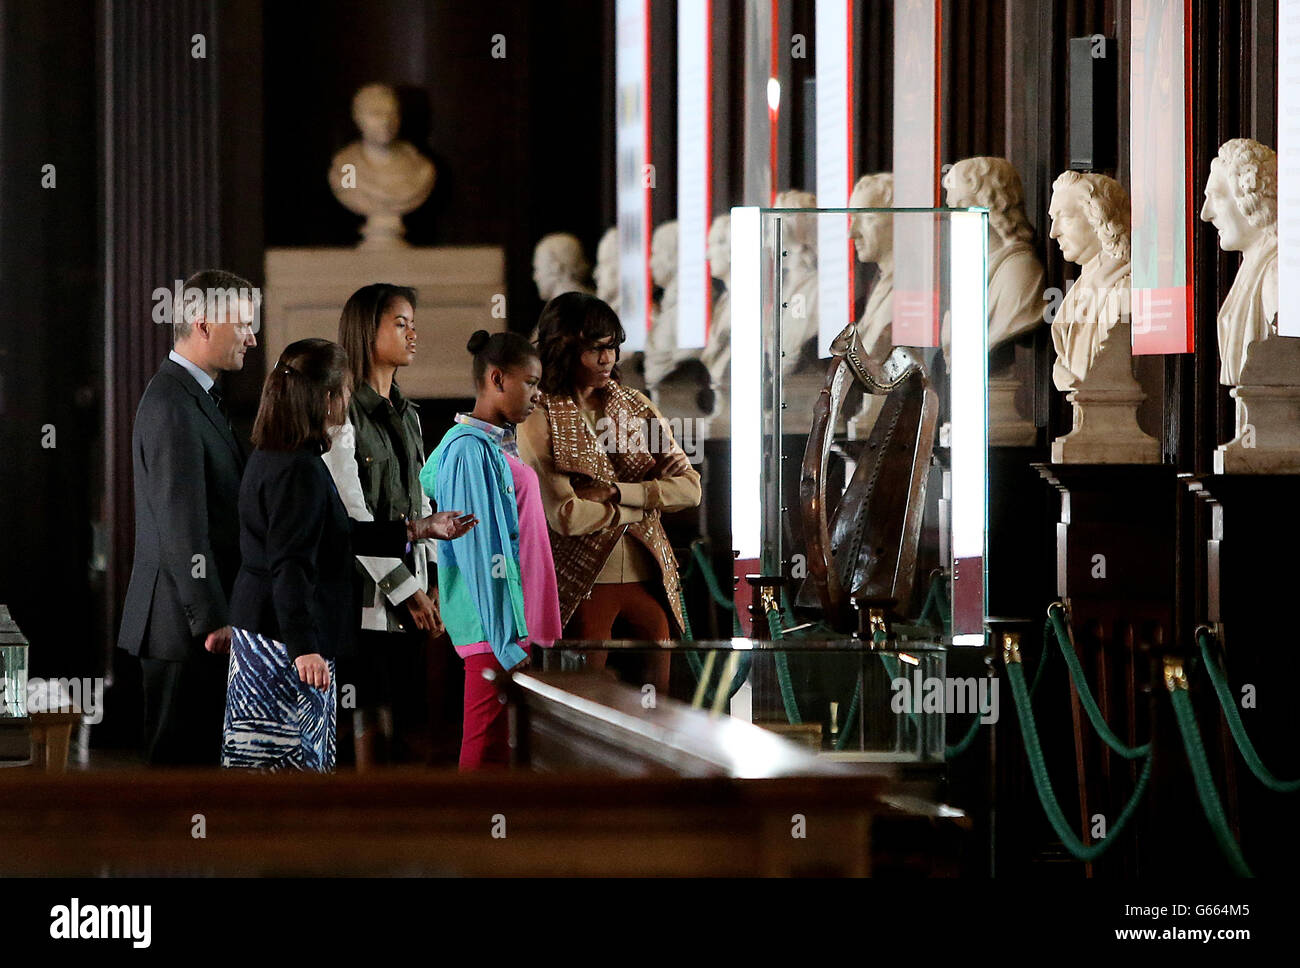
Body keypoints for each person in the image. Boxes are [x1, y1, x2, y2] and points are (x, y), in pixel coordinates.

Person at [223, 339, 471, 771]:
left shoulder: (282, 455)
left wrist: (420, 527)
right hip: (284, 644)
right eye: (343, 391)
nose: (347, 400)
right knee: (282, 772)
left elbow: (339, 536)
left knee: (279, 769)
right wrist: (304, 649)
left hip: (274, 633)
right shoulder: (297, 469)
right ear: (324, 397)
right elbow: (290, 565)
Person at [517, 293, 700, 695]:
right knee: (586, 702)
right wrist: (642, 506)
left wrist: (617, 492)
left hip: (648, 575)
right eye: (595, 348)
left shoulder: (634, 404)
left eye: (613, 347)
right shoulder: (538, 413)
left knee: (660, 702)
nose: (608, 359)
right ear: (562, 347)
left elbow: (690, 488)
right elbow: (564, 516)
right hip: (578, 580)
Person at [117, 268, 259, 766]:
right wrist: (212, 617)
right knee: (176, 777)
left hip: (193, 625)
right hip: (184, 627)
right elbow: (182, 524)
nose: (252, 337)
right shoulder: (173, 402)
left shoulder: (195, 396)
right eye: (242, 324)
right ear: (202, 323)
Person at [420, 330, 561, 770]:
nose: (538, 395)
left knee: (503, 750)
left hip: (513, 624)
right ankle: (467, 836)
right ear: (497, 378)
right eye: (532, 382)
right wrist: (505, 641)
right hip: (494, 629)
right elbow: (481, 553)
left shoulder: (495, 445)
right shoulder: (467, 451)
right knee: (483, 749)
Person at [323, 283, 448, 766]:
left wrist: (431, 581)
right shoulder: (341, 408)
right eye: (400, 323)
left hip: (413, 592)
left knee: (408, 722)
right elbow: (351, 512)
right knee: (366, 713)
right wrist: (403, 588)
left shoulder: (409, 414)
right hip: (364, 599)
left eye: (413, 323)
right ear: (366, 330)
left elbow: (423, 502)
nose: (413, 334)